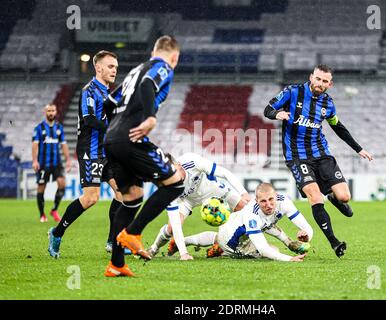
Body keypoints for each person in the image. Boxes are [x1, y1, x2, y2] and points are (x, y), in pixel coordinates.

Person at [263, 64, 373, 257]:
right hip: (297, 157)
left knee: (344, 197)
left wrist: (359, 148)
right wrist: (276, 114)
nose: (320, 83)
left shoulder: (328, 104)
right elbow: (268, 109)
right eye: (317, 79)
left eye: (324, 81)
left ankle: (331, 195)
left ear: (329, 84)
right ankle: (334, 242)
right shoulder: (292, 92)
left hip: (321, 154)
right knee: (315, 196)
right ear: (311, 77)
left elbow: (338, 127)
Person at [102, 35, 185, 277]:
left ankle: (116, 265)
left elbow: (108, 102)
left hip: (112, 138)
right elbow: (149, 84)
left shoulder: (134, 71)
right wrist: (150, 117)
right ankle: (134, 232)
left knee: (131, 199)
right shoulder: (163, 67)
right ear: (174, 56)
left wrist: (115, 128)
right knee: (175, 182)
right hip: (131, 138)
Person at [47, 50, 123, 258]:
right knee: (91, 198)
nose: (114, 70)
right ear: (98, 67)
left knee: (123, 193)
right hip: (90, 150)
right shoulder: (89, 91)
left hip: (106, 151)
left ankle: (113, 241)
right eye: (110, 66)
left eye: (116, 67)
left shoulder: (109, 93)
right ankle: (56, 232)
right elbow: (89, 120)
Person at [146, 152, 251, 260]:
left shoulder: (192, 161)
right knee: (172, 228)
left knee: (244, 208)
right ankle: (154, 248)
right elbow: (176, 223)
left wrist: (243, 193)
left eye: (174, 172)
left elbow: (224, 173)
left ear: (179, 164)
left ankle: (236, 243)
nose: (173, 177)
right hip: (186, 200)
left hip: (210, 189)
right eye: (169, 175)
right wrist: (184, 254)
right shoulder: (168, 185)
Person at [169, 183, 313, 262]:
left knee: (219, 237)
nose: (268, 204)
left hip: (232, 224)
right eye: (263, 201)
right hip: (233, 242)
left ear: (276, 196)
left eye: (271, 199)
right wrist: (289, 259)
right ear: (256, 201)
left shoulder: (285, 202)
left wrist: (298, 239)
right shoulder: (252, 215)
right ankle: (223, 251)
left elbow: (306, 227)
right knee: (273, 251)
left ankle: (183, 240)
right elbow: (263, 249)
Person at [32, 103, 71, 222]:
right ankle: (42, 214)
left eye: (53, 110)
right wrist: (35, 161)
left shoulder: (59, 127)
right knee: (41, 188)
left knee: (62, 184)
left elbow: (63, 145)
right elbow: (35, 145)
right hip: (43, 163)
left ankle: (54, 209)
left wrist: (68, 160)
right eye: (49, 111)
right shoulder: (39, 128)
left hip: (56, 163)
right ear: (45, 112)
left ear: (56, 112)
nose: (51, 113)